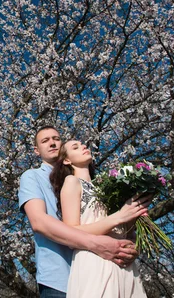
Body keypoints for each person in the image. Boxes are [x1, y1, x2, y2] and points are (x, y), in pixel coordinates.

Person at [18, 126, 140, 298]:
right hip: (59, 277)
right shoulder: (32, 177)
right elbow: (39, 222)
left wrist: (129, 247)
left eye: (56, 138)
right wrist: (95, 243)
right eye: (45, 141)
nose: (52, 143)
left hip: (102, 268)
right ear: (36, 151)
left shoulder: (94, 184)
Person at [50, 139, 150, 297]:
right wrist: (118, 217)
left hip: (122, 262)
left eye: (83, 144)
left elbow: (124, 230)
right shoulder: (72, 182)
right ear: (67, 160)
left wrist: (133, 216)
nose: (83, 146)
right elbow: (71, 230)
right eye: (75, 147)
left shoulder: (107, 188)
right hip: (94, 260)